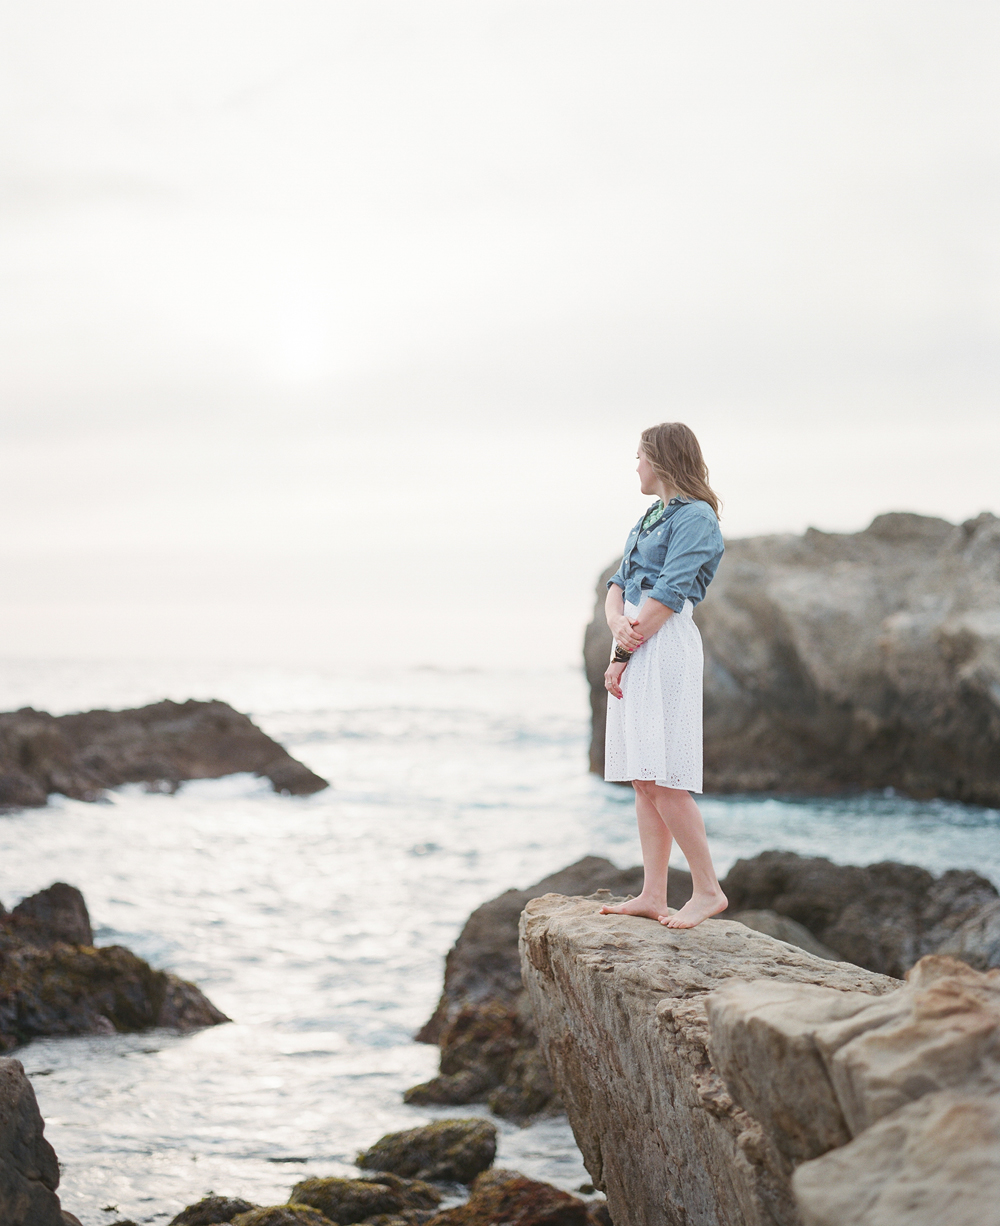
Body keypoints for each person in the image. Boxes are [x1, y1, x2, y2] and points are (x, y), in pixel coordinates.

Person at [599, 422, 727, 929]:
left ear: (661, 459)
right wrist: (615, 623)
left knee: (662, 776)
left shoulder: (696, 518)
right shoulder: (652, 514)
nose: (635, 466)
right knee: (642, 776)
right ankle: (654, 893)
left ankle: (708, 889)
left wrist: (620, 653)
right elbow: (619, 581)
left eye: (639, 456)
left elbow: (668, 595)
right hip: (636, 637)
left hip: (663, 643)